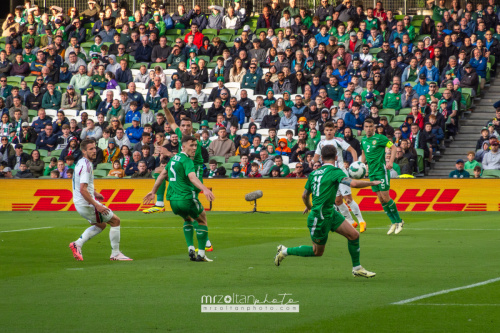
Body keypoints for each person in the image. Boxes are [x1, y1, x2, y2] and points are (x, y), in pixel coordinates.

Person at [274, 144, 377, 278]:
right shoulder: (335, 171)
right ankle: (285, 251)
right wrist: (372, 183)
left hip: (330, 212)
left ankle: (357, 268)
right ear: (335, 157)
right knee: (317, 252)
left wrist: (309, 206)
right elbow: (354, 184)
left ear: (321, 158)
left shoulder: (314, 173)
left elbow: (305, 195)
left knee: (354, 235)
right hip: (320, 217)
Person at [143, 135, 215, 262]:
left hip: (173, 201)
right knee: (202, 219)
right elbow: (192, 177)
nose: (194, 148)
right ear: (183, 146)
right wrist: (205, 189)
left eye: (195, 145)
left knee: (187, 219)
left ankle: (191, 248)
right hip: (186, 197)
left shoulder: (173, 159)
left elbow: (161, 175)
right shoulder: (187, 160)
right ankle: (202, 254)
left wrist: (153, 191)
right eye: (191, 145)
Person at [68, 139, 132, 261]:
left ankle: (78, 244)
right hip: (86, 204)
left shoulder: (81, 162)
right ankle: (116, 254)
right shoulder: (86, 165)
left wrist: (95, 193)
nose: (94, 151)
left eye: (94, 148)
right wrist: (97, 205)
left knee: (101, 224)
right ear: (83, 151)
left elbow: (81, 185)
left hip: (80, 203)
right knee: (115, 221)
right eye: (90, 149)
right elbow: (82, 189)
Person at [313, 122, 366, 231]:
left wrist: (355, 163)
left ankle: (361, 221)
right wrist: (311, 162)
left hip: (340, 173)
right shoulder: (321, 143)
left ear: (334, 131)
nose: (329, 132)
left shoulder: (338, 141)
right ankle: (351, 222)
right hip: (330, 174)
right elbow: (316, 157)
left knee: (348, 198)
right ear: (324, 131)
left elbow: (352, 150)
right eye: (327, 130)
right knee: (337, 201)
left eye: (331, 130)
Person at [361, 119, 404, 235]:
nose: (368, 128)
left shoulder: (380, 138)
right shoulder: (363, 140)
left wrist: (390, 162)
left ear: (374, 128)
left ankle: (399, 221)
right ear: (364, 128)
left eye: (371, 126)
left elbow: (394, 148)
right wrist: (360, 165)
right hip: (372, 173)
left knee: (386, 197)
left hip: (381, 171)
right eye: (366, 126)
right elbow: (364, 153)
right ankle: (393, 222)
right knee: (380, 199)